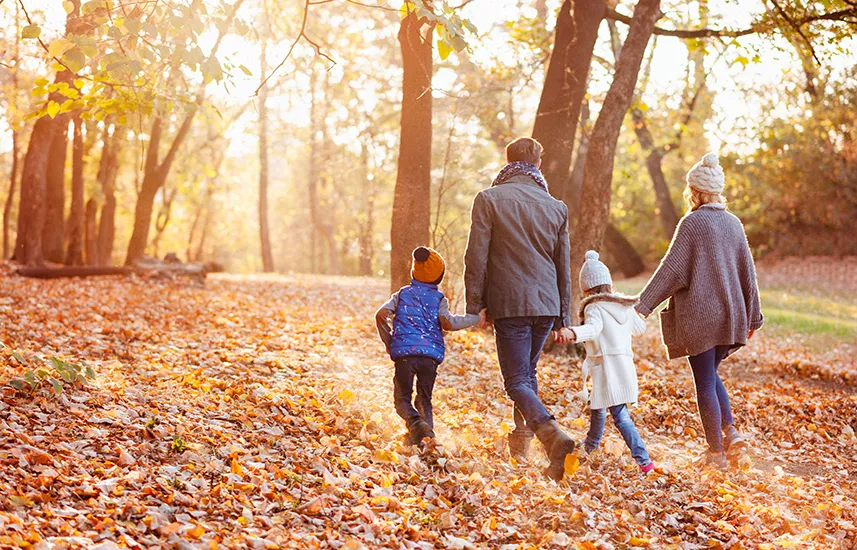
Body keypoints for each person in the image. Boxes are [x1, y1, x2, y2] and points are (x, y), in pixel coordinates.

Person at [635, 153, 764, 470]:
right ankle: (731, 435)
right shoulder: (733, 224)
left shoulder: (691, 224)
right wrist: (753, 318)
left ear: (693, 191)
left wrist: (642, 306)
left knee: (704, 381)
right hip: (731, 316)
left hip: (701, 318)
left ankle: (716, 454)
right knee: (711, 374)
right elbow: (749, 274)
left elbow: (671, 271)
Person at [464, 136, 576, 481]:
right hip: (546, 305)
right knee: (527, 376)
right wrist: (563, 316)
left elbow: (476, 256)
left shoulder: (489, 199)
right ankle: (522, 444)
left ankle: (551, 435)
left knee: (515, 381)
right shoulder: (556, 207)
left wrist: (475, 305)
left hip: (510, 303)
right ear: (538, 164)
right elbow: (563, 265)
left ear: (507, 161)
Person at [558, 251, 655, 474]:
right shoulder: (623, 306)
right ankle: (591, 445)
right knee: (599, 406)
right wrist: (630, 312)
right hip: (622, 366)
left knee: (620, 415)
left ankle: (644, 461)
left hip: (609, 368)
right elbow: (639, 329)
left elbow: (593, 329)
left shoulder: (594, 307)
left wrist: (572, 332)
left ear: (587, 288)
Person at [376, 247, 480, 446]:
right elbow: (448, 323)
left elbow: (381, 314)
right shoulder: (439, 299)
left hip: (405, 356)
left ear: (414, 272)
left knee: (402, 400)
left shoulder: (402, 294)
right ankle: (427, 441)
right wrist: (474, 318)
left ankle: (416, 425)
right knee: (424, 399)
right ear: (438, 277)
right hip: (430, 358)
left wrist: (390, 341)